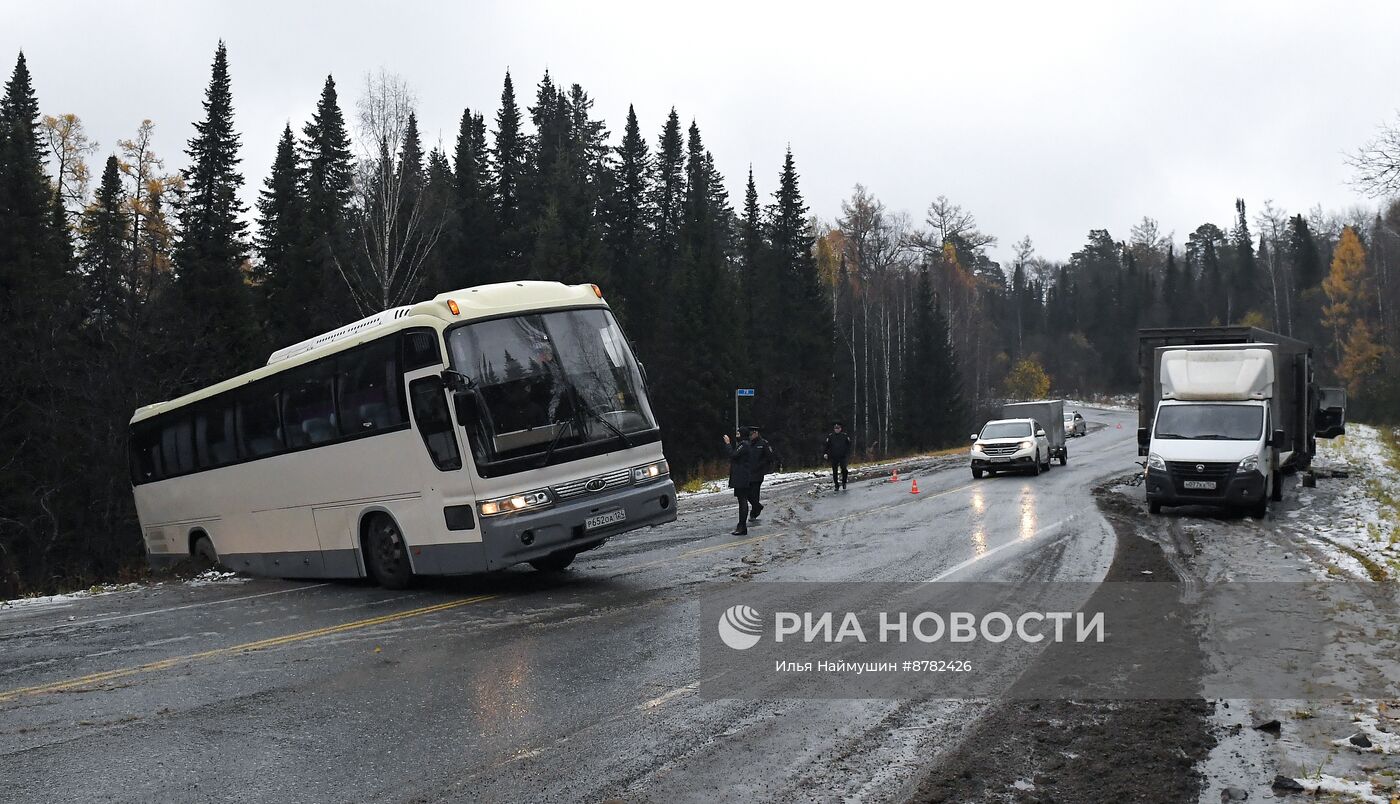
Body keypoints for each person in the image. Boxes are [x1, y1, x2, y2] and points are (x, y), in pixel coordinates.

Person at [723, 427, 761, 535]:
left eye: (739, 433)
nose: (737, 434)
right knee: (743, 499)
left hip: (742, 477)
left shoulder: (744, 445)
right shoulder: (743, 444)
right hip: (740, 476)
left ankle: (742, 526)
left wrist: (727, 444)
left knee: (742, 501)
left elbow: (733, 455)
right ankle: (755, 508)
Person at [823, 422, 851, 490]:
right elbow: (827, 445)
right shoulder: (830, 436)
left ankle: (844, 482)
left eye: (838, 428)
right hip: (834, 456)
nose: (837, 430)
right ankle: (836, 485)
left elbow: (849, 444)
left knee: (844, 470)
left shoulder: (844, 436)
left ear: (840, 429)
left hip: (842, 456)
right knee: (834, 471)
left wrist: (847, 452)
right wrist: (825, 453)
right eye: (835, 428)